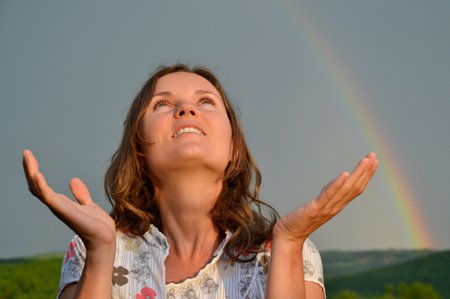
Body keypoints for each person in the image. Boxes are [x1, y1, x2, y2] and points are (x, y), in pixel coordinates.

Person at [23, 64, 378, 299]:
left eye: (205, 101)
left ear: (234, 148)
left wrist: (289, 243)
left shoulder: (287, 253)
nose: (186, 110)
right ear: (138, 147)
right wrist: (101, 253)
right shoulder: (89, 249)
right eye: (162, 104)